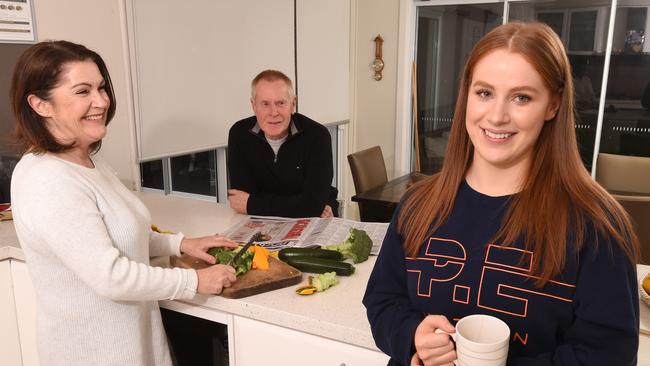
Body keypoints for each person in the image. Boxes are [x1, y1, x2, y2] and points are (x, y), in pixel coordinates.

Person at [363, 22, 640, 366]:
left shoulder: (596, 225)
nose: (496, 116)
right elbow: (382, 300)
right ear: (466, 95)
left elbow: (608, 353)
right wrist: (412, 336)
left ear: (552, 105)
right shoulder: (418, 203)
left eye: (522, 97)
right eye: (484, 93)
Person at [10, 40, 238, 366]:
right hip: (95, 354)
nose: (101, 101)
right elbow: (111, 275)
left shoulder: (86, 159)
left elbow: (119, 233)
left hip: (133, 342)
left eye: (101, 88)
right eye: (82, 91)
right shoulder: (47, 179)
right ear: (40, 104)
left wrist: (180, 244)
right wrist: (195, 280)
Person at [227, 69, 338, 218]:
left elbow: (311, 206)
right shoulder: (239, 134)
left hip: (315, 222)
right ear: (253, 106)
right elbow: (240, 200)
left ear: (293, 104)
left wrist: (253, 204)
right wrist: (302, 204)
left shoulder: (318, 136)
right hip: (258, 223)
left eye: (280, 103)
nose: (273, 113)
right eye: (265, 104)